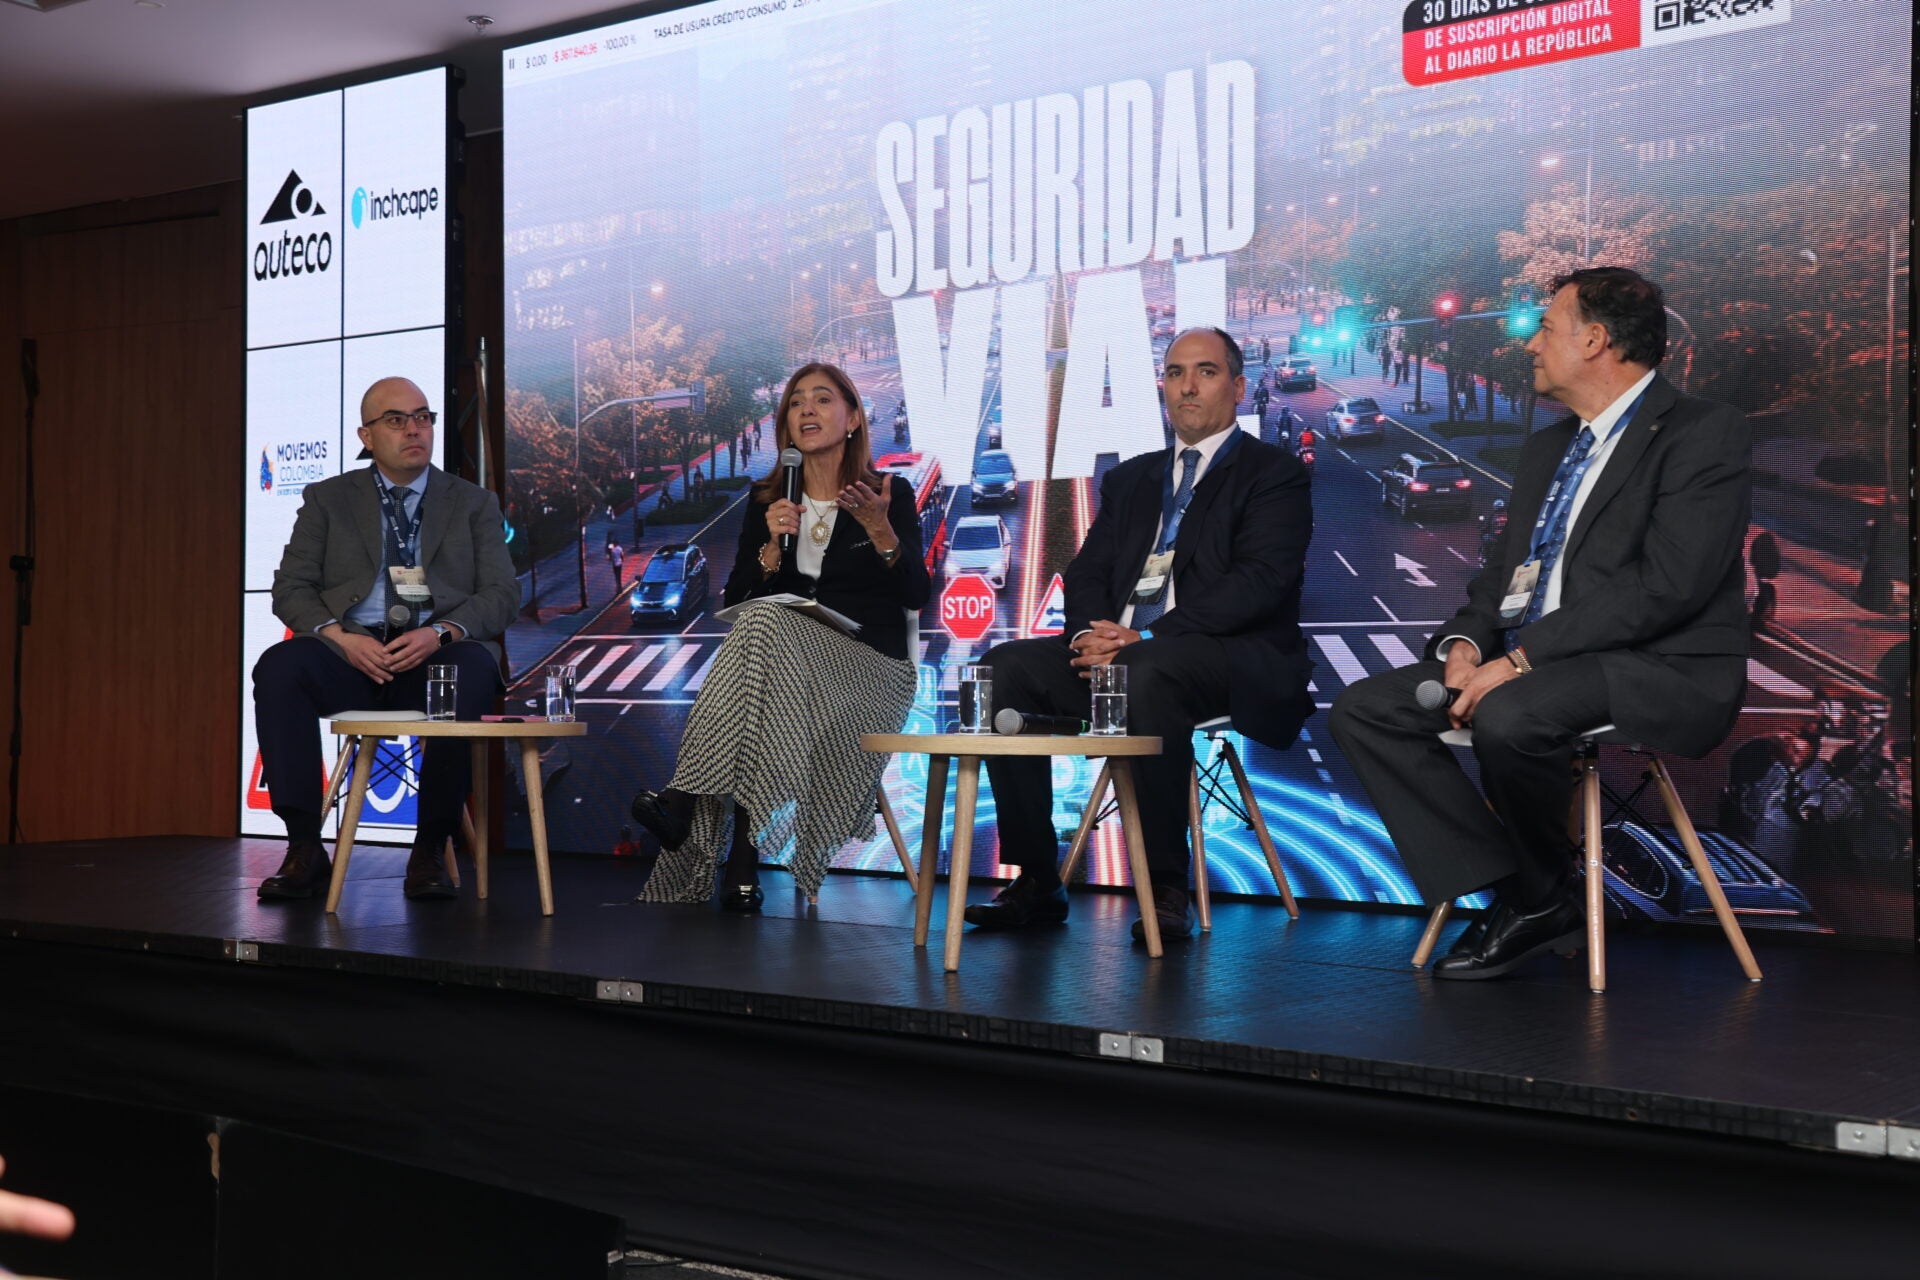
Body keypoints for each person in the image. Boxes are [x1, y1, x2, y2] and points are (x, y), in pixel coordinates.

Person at [1330, 266, 1752, 980]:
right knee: (1364, 709)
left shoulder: (1702, 434)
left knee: (1511, 715)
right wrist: (1467, 646)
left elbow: (1669, 586)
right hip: (1540, 664)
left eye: (1546, 327)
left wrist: (1519, 663)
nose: (1529, 342)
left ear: (1594, 340)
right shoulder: (1546, 449)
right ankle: (1528, 890)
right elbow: (1501, 579)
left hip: (1655, 663)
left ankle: (1533, 895)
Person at [966, 328, 1314, 941]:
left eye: (1205, 372)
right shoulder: (1132, 480)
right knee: (1001, 668)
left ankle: (1164, 881)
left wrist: (1149, 640)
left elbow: (1260, 583)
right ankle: (1038, 879)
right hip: (1121, 655)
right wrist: (1088, 640)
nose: (1186, 385)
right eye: (1175, 372)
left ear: (1236, 387)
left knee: (1145, 672)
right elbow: (1088, 573)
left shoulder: (1275, 474)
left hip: (1222, 658)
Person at [629, 362, 931, 910]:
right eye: (795, 402)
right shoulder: (768, 500)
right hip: (790, 673)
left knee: (767, 630)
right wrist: (770, 549)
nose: (807, 410)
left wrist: (880, 529)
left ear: (854, 417)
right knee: (765, 645)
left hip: (870, 673)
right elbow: (735, 602)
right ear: (785, 425)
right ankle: (740, 871)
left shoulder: (888, 493)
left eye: (821, 399)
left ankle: (686, 804)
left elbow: (915, 594)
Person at [252, 377, 516, 902]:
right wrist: (341, 638)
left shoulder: (472, 503)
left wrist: (439, 633)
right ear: (366, 436)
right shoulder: (328, 499)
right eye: (396, 420)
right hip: (352, 657)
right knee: (280, 667)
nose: (414, 429)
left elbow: (502, 595)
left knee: (465, 670)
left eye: (423, 417)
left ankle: (429, 850)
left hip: (433, 657)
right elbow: (290, 589)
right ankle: (304, 845)